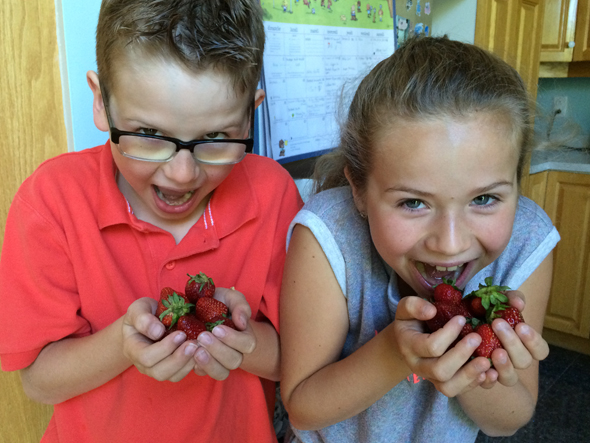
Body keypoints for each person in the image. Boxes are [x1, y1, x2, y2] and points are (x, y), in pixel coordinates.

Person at [0, 1, 303, 442]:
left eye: (216, 138)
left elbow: (300, 358)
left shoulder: (273, 195)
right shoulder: (52, 202)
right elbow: (38, 380)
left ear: (250, 114)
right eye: (150, 135)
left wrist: (244, 343)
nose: (182, 174)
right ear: (101, 102)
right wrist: (122, 343)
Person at [279, 36, 559, 442]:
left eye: (484, 199)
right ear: (358, 188)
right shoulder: (329, 233)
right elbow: (302, 409)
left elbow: (508, 420)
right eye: (413, 203)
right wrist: (395, 351)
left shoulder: (527, 239)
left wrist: (475, 365)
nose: (449, 244)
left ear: (517, 183)